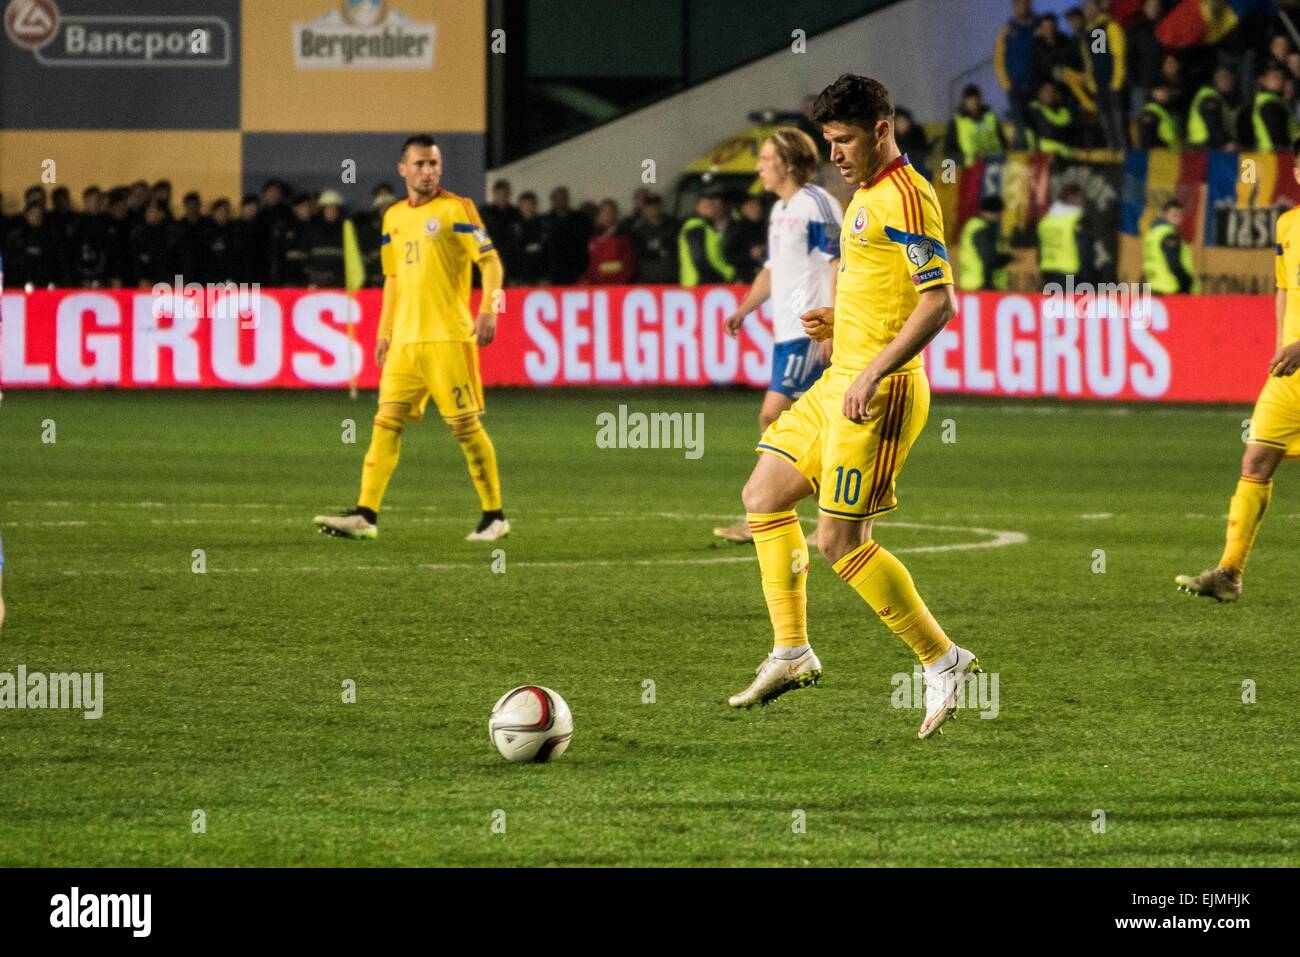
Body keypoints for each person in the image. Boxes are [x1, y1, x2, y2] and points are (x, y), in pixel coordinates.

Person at [727, 74, 980, 740]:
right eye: (827, 142)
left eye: (843, 140)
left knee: (840, 541)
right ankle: (792, 650)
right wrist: (837, 320)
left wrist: (871, 367)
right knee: (763, 493)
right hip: (842, 376)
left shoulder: (908, 196)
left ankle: (943, 658)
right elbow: (888, 293)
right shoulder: (866, 195)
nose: (834, 154)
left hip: (882, 390)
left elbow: (938, 302)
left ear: (880, 130)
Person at [313, 134, 509, 543]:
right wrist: (385, 332)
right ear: (402, 169)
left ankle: (494, 516)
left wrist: (490, 308)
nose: (428, 171)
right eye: (419, 164)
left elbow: (490, 263)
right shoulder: (394, 217)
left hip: (447, 338)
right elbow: (393, 279)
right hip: (405, 343)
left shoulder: (457, 208)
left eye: (434, 164)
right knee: (385, 424)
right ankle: (366, 514)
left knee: (464, 427)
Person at [1176, 142, 1300, 602]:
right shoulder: (1288, 224)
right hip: (1291, 376)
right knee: (1256, 462)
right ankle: (1229, 572)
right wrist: (1279, 346)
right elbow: (1284, 290)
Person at [713, 127, 841, 546]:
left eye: (765, 158)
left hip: (810, 330)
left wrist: (834, 322)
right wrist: (745, 309)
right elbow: (771, 269)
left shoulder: (816, 204)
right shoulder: (781, 210)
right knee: (804, 425)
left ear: (787, 163)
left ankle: (769, 514)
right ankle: (820, 512)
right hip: (785, 333)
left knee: (774, 416)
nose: (758, 166)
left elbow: (838, 262)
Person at [995, 0, 1039, 147]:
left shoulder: (1039, 27)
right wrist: (1007, 85)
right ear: (1014, 8)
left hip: (1037, 87)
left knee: (1038, 124)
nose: (1023, 7)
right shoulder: (1007, 32)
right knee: (1021, 127)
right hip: (1016, 87)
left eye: (1026, 4)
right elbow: (999, 60)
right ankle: (1023, 155)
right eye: (1019, 5)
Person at [1037, 183, 1089, 288]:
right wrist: (1088, 277)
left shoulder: (1046, 221)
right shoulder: (1076, 219)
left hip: (1048, 271)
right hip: (1071, 274)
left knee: (1053, 303)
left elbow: (1040, 250)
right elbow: (1083, 250)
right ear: (1076, 199)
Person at [678, 191, 735, 286]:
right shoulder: (695, 226)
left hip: (701, 283)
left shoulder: (705, 227)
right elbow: (699, 259)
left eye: (712, 206)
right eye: (706, 206)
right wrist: (718, 278)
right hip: (700, 284)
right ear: (697, 207)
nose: (711, 209)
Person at [1143, 199, 1199, 294]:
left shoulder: (1153, 233)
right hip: (1172, 288)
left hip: (1156, 285)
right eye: (1174, 215)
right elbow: (1174, 263)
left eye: (1180, 215)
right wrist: (1186, 283)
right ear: (1164, 215)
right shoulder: (1168, 235)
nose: (1178, 219)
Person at [958, 196, 1013, 291]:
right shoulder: (982, 230)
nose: (1000, 218)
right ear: (994, 213)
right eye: (999, 214)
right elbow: (988, 258)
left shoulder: (972, 226)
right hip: (982, 284)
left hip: (971, 282)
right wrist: (1007, 258)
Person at [945, 84, 1006, 167]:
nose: (973, 103)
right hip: (972, 167)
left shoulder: (990, 117)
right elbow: (950, 149)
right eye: (970, 100)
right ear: (965, 101)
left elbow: (1002, 140)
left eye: (975, 99)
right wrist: (959, 165)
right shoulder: (957, 121)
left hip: (996, 162)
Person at [542, 186, 589, 284]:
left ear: (567, 199)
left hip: (575, 271)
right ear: (552, 200)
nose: (560, 201)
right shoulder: (544, 220)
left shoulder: (579, 218)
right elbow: (543, 250)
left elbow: (585, 247)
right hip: (552, 273)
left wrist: (584, 273)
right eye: (557, 198)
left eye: (562, 197)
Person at [1187, 65, 1240, 150]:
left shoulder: (1218, 97)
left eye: (1231, 79)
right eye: (1225, 79)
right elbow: (1213, 123)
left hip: (1207, 146)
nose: (1229, 82)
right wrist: (1225, 142)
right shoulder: (1210, 97)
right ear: (1216, 80)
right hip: (1205, 147)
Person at [583, 199, 635, 284]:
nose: (606, 214)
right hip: (596, 284)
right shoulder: (592, 235)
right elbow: (589, 261)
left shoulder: (623, 235)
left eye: (610, 211)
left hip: (617, 284)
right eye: (603, 211)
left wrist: (623, 281)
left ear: (615, 214)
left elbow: (629, 262)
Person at [629, 194, 677, 283]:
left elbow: (674, 248)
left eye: (655, 206)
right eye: (648, 207)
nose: (652, 210)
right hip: (648, 278)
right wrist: (661, 250)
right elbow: (640, 253)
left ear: (660, 207)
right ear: (643, 209)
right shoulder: (638, 231)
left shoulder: (673, 226)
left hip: (670, 277)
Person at [303, 190, 346, 288]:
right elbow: (306, 256)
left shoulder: (345, 230)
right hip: (316, 282)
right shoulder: (312, 230)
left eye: (334, 208)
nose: (332, 211)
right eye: (328, 208)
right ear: (322, 210)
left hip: (338, 282)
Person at [1251, 64, 1296, 151]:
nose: (1279, 81)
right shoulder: (1270, 103)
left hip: (1275, 154)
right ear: (1263, 81)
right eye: (1274, 78)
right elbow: (1277, 135)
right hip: (1279, 155)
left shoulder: (1277, 101)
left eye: (1281, 78)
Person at [723, 196, 768, 283]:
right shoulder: (736, 229)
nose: (756, 209)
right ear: (743, 210)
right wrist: (750, 255)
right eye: (751, 206)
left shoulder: (768, 225)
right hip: (745, 277)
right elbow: (729, 256)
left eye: (758, 206)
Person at [1027, 81, 1077, 154]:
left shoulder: (1049, 108)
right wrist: (1062, 103)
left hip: (1057, 149)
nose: (1046, 94)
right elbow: (1062, 121)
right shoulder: (1035, 108)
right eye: (1044, 90)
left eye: (1051, 92)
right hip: (1045, 149)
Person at [514, 190, 548, 285]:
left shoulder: (543, 224)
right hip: (522, 273)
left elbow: (548, 251)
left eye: (530, 204)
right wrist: (513, 276)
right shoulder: (514, 226)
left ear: (535, 205)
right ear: (520, 206)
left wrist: (547, 275)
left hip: (541, 273)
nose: (527, 207)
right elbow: (512, 253)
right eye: (524, 204)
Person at [1136, 82, 1182, 148]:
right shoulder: (1150, 113)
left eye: (1167, 90)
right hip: (1159, 154)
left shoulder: (1170, 110)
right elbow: (1147, 139)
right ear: (1153, 92)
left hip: (1173, 153)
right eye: (1161, 90)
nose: (1165, 93)